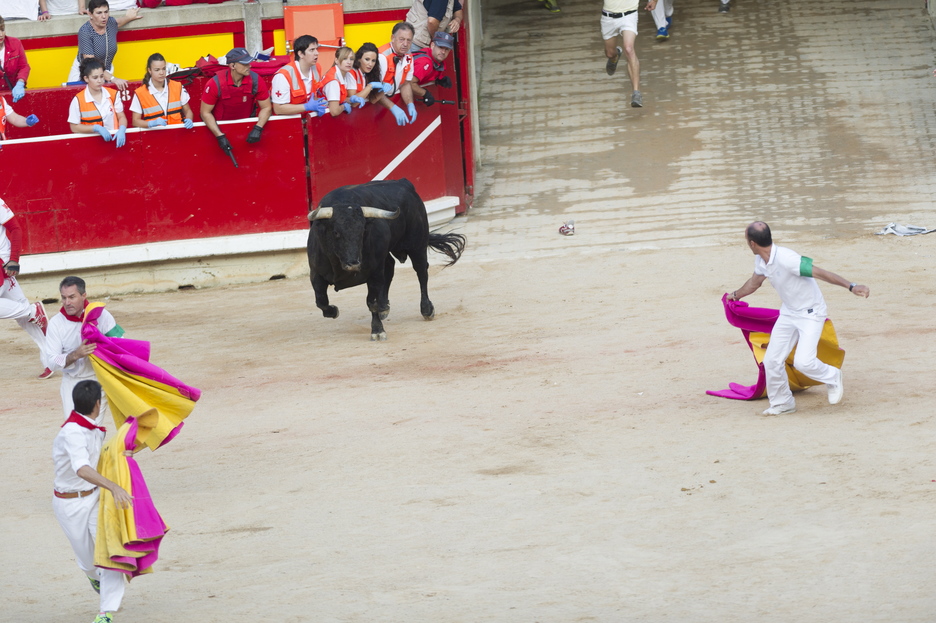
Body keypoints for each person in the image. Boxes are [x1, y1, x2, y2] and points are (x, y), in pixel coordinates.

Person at [727, 222, 870, 416]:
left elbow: (819, 272)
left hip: (811, 313)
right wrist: (735, 295)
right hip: (789, 313)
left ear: (752, 244)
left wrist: (851, 286)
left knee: (804, 362)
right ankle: (783, 403)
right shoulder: (761, 261)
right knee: (772, 360)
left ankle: (833, 376)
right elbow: (754, 283)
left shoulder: (788, 258)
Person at [52, 380, 133, 623]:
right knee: (88, 560)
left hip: (95, 498)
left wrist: (124, 453)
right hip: (69, 504)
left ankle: (105, 612)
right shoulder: (73, 432)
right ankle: (92, 575)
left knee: (110, 552)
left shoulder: (90, 425)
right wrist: (114, 486)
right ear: (97, 404)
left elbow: (100, 455)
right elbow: (82, 469)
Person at [45, 275, 124, 417]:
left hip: (99, 380)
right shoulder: (56, 323)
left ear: (83, 296)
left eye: (72, 297)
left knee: (92, 430)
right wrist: (76, 354)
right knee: (75, 431)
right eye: (63, 298)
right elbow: (51, 362)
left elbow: (121, 343)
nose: (67, 302)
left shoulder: (102, 316)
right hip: (72, 383)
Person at [0, 195, 51, 379]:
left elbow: (15, 228)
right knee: (24, 319)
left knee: (25, 313)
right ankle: (52, 358)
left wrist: (14, 259)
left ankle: (31, 310)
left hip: (2, 263)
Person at [200, 47, 272, 158]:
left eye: (249, 62)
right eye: (245, 64)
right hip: (219, 130)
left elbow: (266, 107)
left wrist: (258, 128)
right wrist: (219, 136)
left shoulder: (256, 80)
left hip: (248, 131)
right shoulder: (215, 83)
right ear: (232, 66)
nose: (250, 66)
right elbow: (205, 113)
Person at [66, 0, 143, 91]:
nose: (104, 16)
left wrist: (129, 17)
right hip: (85, 72)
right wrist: (113, 78)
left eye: (106, 12)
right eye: (99, 13)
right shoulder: (85, 31)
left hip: (107, 71)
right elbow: (91, 63)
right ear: (90, 14)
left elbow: (117, 23)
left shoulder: (110, 22)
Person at [602, 0, 656, 108]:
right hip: (608, 17)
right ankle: (615, 56)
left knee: (629, 48)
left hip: (629, 15)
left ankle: (636, 93)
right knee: (609, 53)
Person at [67, 58, 128, 147]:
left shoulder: (113, 94)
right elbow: (74, 127)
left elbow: (121, 116)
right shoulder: (78, 100)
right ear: (86, 78)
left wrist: (122, 129)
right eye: (95, 77)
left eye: (102, 76)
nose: (100, 80)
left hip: (113, 142)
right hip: (90, 145)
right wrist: (95, 128)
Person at [129, 52, 194, 129]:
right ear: (149, 70)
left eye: (164, 69)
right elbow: (135, 121)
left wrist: (189, 119)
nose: (162, 73)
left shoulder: (177, 86)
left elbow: (188, 111)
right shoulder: (140, 93)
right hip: (155, 135)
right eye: (157, 70)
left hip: (177, 134)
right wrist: (150, 123)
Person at [351, 42, 408, 125]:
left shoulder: (367, 74)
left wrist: (383, 89)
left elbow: (373, 100)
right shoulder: (352, 72)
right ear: (359, 58)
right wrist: (370, 86)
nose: (370, 64)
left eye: (373, 61)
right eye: (367, 59)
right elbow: (354, 103)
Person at [271, 34, 328, 117]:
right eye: (312, 50)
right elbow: (278, 108)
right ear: (300, 54)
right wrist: (306, 107)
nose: (317, 53)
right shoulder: (283, 76)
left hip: (309, 120)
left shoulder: (316, 68)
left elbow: (314, 94)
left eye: (317, 49)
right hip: (290, 123)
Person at [378, 22, 418, 123]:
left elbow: (406, 83)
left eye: (409, 40)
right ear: (392, 38)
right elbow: (374, 92)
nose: (405, 44)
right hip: (375, 104)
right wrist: (393, 108)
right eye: (401, 39)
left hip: (387, 103)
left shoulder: (408, 56)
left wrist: (410, 104)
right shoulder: (382, 57)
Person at [410, 30, 454, 106]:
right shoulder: (425, 62)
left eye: (446, 49)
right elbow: (409, 83)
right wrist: (425, 93)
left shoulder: (435, 58)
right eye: (440, 47)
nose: (443, 52)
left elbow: (432, 70)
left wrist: (439, 78)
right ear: (432, 45)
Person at [319, 46, 363, 116]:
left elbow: (339, 99)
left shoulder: (348, 74)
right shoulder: (333, 81)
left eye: (351, 59)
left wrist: (350, 100)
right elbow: (334, 111)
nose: (349, 62)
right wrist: (344, 106)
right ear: (336, 60)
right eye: (345, 58)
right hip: (323, 117)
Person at [0, 15, 30, 102]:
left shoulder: (15, 43)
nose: (1, 34)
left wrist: (20, 83)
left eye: (2, 30)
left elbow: (24, 66)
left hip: (13, 94)